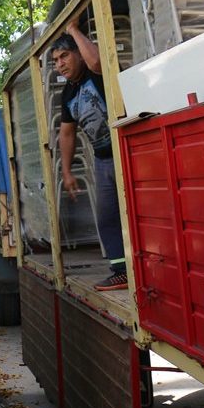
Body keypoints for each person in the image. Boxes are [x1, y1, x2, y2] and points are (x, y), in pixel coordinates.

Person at [53, 18, 128, 291]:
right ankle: (121, 271)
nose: (60, 64)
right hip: (102, 157)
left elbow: (97, 63)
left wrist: (73, 29)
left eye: (65, 56)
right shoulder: (68, 93)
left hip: (126, 148)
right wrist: (67, 171)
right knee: (108, 216)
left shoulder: (96, 72)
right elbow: (67, 133)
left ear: (78, 53)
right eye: (56, 60)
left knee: (138, 209)